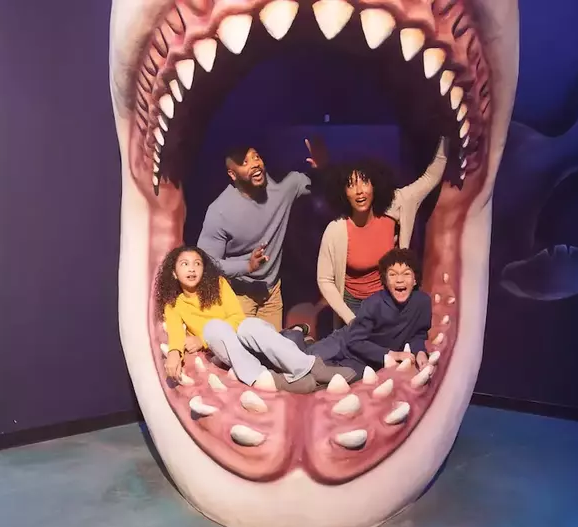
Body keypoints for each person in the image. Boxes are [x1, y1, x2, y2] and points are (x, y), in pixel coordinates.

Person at [154, 245, 357, 394]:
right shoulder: (174, 303)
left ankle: (310, 367)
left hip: (244, 340)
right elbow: (175, 329)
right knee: (214, 327)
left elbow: (236, 318)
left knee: (248, 324)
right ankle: (269, 380)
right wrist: (174, 352)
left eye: (197, 264)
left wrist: (201, 341)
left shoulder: (218, 284)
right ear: (174, 272)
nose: (191, 269)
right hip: (226, 350)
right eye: (185, 264)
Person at [317, 137, 448, 327]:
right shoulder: (336, 230)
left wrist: (447, 136)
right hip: (352, 306)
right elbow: (325, 280)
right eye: (351, 185)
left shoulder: (397, 205)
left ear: (375, 185)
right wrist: (350, 319)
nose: (360, 191)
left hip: (388, 299)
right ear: (343, 192)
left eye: (364, 182)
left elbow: (431, 177)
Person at [197, 140, 326, 332]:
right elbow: (206, 262)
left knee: (272, 355)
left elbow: (321, 185)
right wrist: (246, 266)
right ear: (232, 174)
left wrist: (322, 169)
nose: (255, 164)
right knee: (243, 356)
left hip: (272, 293)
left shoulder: (284, 188)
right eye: (244, 162)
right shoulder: (220, 211)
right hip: (239, 296)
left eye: (256, 157)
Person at [307, 248, 433, 378]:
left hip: (363, 362)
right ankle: (299, 336)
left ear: (415, 280)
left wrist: (420, 352)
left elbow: (418, 334)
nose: (399, 280)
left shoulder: (423, 302)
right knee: (304, 363)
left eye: (406, 274)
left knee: (333, 379)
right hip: (342, 345)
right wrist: (392, 354)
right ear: (385, 281)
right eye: (393, 274)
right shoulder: (373, 304)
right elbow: (354, 341)